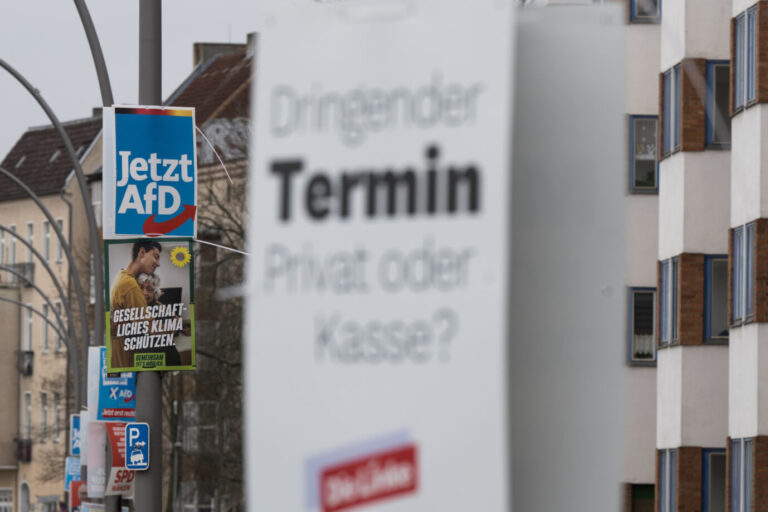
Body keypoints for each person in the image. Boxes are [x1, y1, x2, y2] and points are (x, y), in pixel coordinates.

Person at [109, 241, 161, 369]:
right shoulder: (130, 286)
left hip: (120, 362)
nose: (158, 264)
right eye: (156, 256)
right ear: (142, 253)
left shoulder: (121, 277)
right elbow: (152, 330)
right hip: (130, 364)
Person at [136, 272, 182, 366]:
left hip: (165, 361)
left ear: (155, 291)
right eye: (141, 288)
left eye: (149, 289)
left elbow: (157, 331)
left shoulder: (159, 308)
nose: (144, 293)